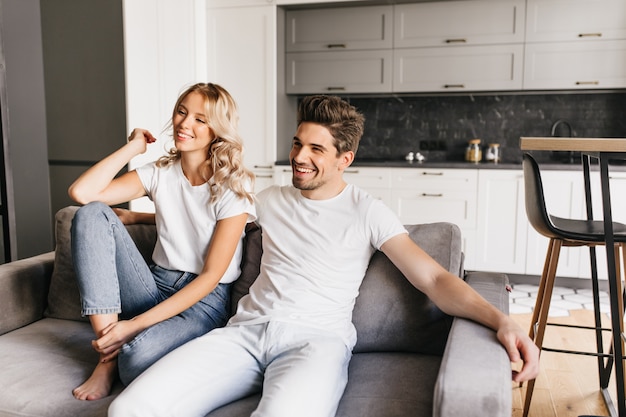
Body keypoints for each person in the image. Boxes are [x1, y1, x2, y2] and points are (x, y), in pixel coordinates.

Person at [108, 95, 539, 417]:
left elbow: (434, 280)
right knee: (129, 410)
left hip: (315, 343)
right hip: (241, 335)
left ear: (344, 159)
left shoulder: (368, 211)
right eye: (297, 144)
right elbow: (211, 221)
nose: (298, 157)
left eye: (316, 149)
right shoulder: (269, 198)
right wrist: (138, 218)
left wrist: (503, 320)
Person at [67, 83, 256, 401]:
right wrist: (133, 148)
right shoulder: (160, 172)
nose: (184, 123)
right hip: (153, 282)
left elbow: (211, 277)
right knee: (89, 214)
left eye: (200, 119)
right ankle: (106, 359)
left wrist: (133, 326)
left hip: (202, 303)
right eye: (182, 112)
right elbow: (83, 194)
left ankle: (120, 354)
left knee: (136, 362)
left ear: (218, 130)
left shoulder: (234, 185)